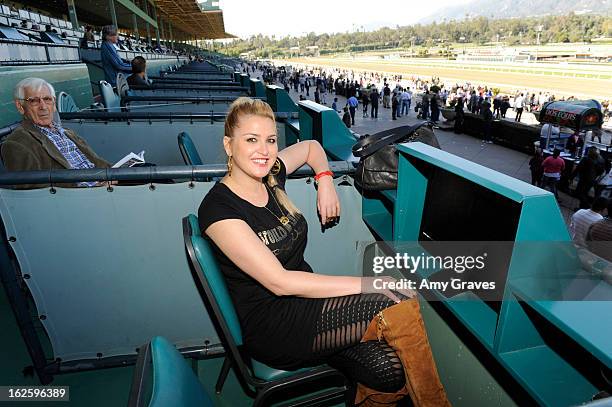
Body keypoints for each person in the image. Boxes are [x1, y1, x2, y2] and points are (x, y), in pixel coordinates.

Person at [198, 97, 426, 396]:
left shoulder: (270, 175)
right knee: (391, 298)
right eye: (251, 140)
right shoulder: (218, 209)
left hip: (308, 305)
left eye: (270, 140)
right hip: (274, 327)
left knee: (387, 372)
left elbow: (311, 147)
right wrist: (369, 283)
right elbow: (279, 282)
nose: (264, 151)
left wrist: (325, 179)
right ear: (229, 145)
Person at [1, 78, 110, 188]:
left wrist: (114, 175)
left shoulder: (66, 132)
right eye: (34, 101)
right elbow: (33, 193)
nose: (43, 107)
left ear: (53, 104)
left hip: (107, 183)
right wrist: (97, 188)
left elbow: (97, 163)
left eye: (47, 99)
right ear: (20, 107)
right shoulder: (16, 143)